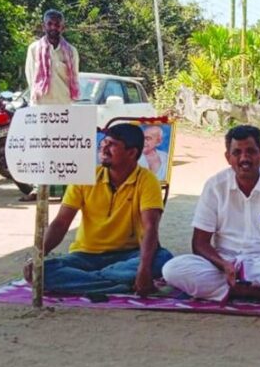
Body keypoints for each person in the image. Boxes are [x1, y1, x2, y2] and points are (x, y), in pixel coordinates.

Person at [162, 125, 260, 305]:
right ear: (228, 157)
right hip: (226, 264)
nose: (244, 158)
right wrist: (223, 265)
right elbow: (200, 243)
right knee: (172, 269)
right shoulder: (215, 186)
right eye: (237, 153)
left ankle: (236, 289)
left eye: (251, 151)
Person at [22, 123, 172, 297]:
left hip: (128, 255)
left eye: (112, 145)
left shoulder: (147, 181)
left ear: (132, 153)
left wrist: (144, 268)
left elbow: (150, 227)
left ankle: (89, 282)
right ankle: (120, 285)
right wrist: (39, 256)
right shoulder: (86, 177)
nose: (104, 149)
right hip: (85, 255)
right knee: (41, 271)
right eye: (104, 143)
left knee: (163, 259)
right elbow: (61, 223)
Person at [21, 9, 80, 201]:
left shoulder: (70, 51)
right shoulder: (34, 49)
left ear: (63, 27)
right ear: (43, 25)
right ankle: (39, 189)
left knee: (62, 150)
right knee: (40, 149)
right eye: (50, 24)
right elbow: (31, 78)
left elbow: (74, 78)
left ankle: (65, 192)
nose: (54, 28)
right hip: (41, 106)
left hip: (63, 106)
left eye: (57, 24)